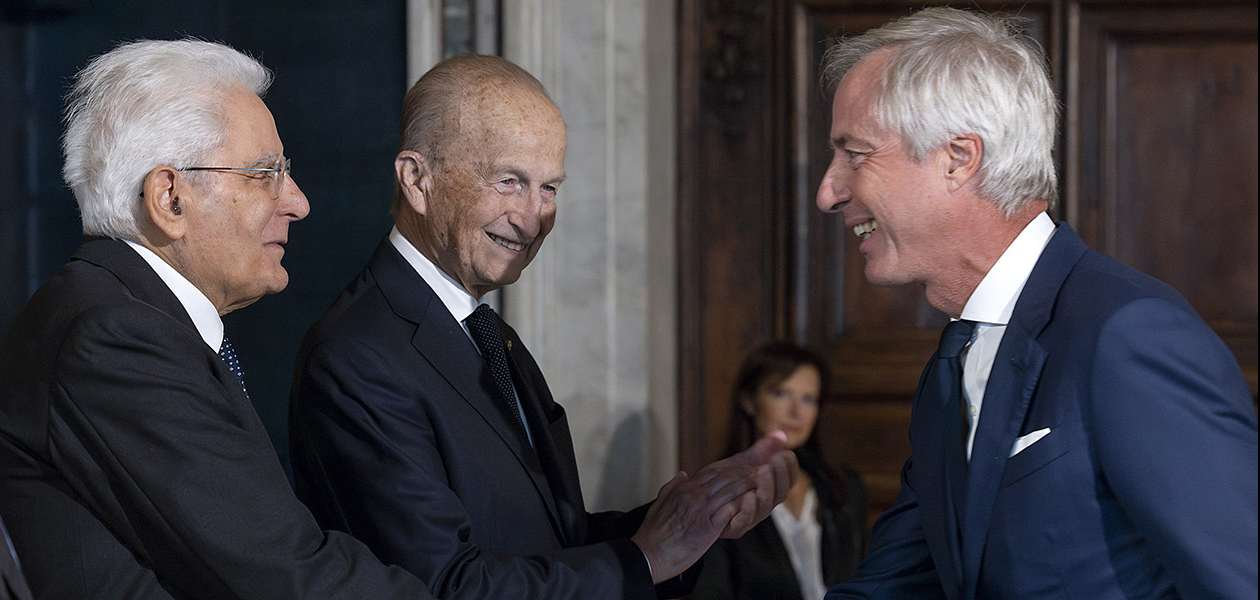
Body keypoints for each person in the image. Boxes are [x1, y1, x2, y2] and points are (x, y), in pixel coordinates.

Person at [289, 53, 796, 600]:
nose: (532, 219)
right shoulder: (356, 355)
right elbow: (439, 585)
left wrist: (694, 521)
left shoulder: (487, 333)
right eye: (509, 181)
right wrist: (645, 559)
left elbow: (553, 542)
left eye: (549, 188)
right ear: (417, 179)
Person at [814, 7, 1257, 599]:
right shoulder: (954, 361)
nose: (827, 191)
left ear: (958, 159)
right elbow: (896, 587)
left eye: (856, 153)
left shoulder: (1128, 336)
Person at [0, 39, 435, 599]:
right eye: (265, 174)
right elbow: (286, 577)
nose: (298, 202)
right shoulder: (115, 337)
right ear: (170, 200)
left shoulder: (123, 311)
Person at [691, 342, 868, 600]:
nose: (796, 412)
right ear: (749, 401)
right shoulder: (719, 493)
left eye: (808, 399)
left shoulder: (843, 486)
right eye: (781, 394)